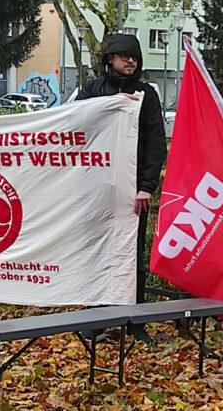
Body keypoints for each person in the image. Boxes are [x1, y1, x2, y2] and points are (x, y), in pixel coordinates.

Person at [75, 33, 167, 343]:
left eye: (135, 57)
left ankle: (134, 321)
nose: (131, 61)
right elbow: (71, 126)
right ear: (109, 60)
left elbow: (156, 144)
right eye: (125, 56)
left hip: (132, 192)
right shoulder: (92, 91)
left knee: (132, 256)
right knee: (96, 253)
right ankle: (96, 318)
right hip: (97, 189)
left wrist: (146, 187)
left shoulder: (147, 95)